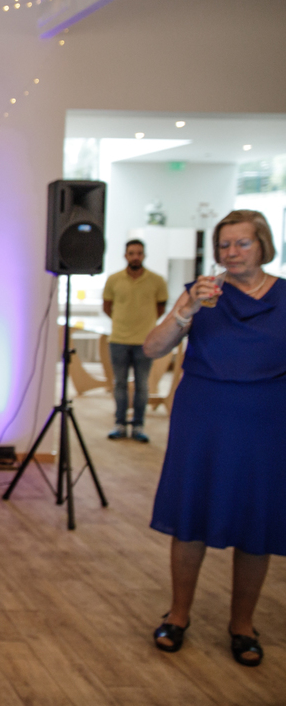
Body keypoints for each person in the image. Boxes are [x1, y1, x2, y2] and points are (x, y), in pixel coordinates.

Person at [144, 209, 283, 668]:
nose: (232, 252)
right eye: (224, 245)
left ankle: (242, 625)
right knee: (191, 518)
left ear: (263, 244)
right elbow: (152, 348)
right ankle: (178, 614)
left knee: (255, 526)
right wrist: (184, 311)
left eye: (242, 243)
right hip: (201, 422)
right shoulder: (202, 295)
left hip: (264, 426)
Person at [102, 238, 167, 442]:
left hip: (144, 342)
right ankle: (119, 423)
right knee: (119, 384)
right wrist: (123, 322)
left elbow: (161, 308)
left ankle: (138, 425)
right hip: (119, 340)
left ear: (144, 255)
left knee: (142, 385)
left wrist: (144, 325)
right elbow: (107, 306)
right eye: (132, 253)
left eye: (139, 253)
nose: (135, 257)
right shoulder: (113, 279)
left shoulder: (157, 280)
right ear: (125, 255)